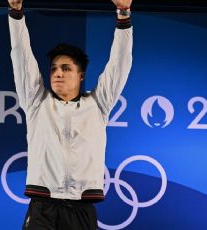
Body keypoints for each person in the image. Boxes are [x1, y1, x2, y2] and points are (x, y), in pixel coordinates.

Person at [7, 0, 133, 229]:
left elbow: (119, 65)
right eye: (54, 68)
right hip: (42, 208)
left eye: (66, 68)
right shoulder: (36, 103)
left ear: (81, 75)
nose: (58, 74)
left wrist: (123, 15)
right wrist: (15, 13)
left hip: (81, 210)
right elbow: (21, 58)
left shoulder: (97, 105)